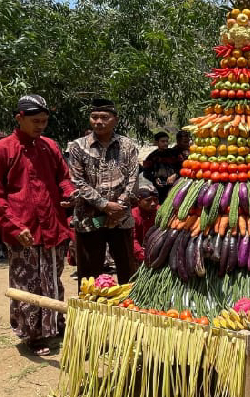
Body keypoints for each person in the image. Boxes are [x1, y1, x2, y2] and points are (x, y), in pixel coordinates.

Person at [0, 94, 76, 356]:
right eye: (35, 121)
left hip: (53, 226)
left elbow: (63, 178)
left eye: (45, 121)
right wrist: (13, 226)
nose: (41, 126)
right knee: (27, 285)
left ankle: (54, 324)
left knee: (53, 280)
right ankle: (32, 334)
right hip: (23, 230)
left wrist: (68, 192)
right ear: (19, 118)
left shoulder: (50, 146)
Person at [68, 98, 139, 288]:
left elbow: (133, 179)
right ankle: (90, 314)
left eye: (104, 117)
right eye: (94, 117)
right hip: (88, 218)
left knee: (127, 270)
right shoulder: (77, 147)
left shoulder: (127, 145)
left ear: (115, 119)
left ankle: (128, 311)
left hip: (121, 217)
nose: (98, 121)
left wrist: (119, 207)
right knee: (89, 274)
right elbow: (77, 181)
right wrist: (105, 205)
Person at [142, 131, 180, 203]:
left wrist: (175, 175)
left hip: (176, 185)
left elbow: (183, 167)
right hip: (160, 188)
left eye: (167, 141)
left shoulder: (175, 153)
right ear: (156, 142)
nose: (166, 143)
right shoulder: (151, 156)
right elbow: (146, 172)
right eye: (163, 141)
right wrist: (154, 179)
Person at [132, 185, 159, 264]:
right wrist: (142, 255)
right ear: (139, 201)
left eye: (156, 200)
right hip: (138, 255)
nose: (153, 203)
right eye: (148, 200)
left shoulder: (160, 212)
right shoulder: (133, 215)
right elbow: (132, 239)